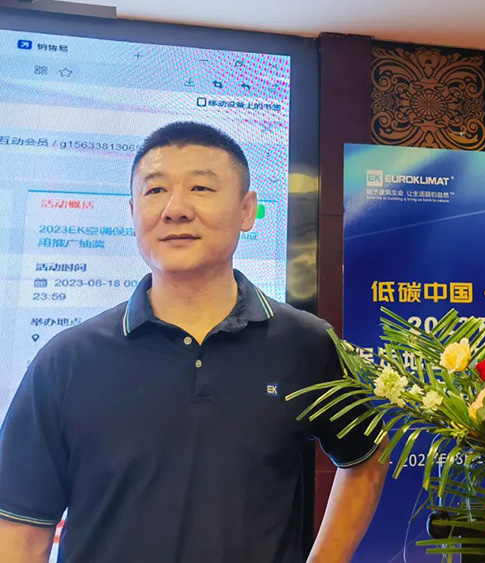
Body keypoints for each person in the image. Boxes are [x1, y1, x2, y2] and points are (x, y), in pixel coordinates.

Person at [0, 122, 388, 563]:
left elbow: (367, 457)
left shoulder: (306, 344)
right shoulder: (66, 361)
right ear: (133, 212)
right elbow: (20, 531)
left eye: (201, 188)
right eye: (155, 191)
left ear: (247, 210)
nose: (175, 209)